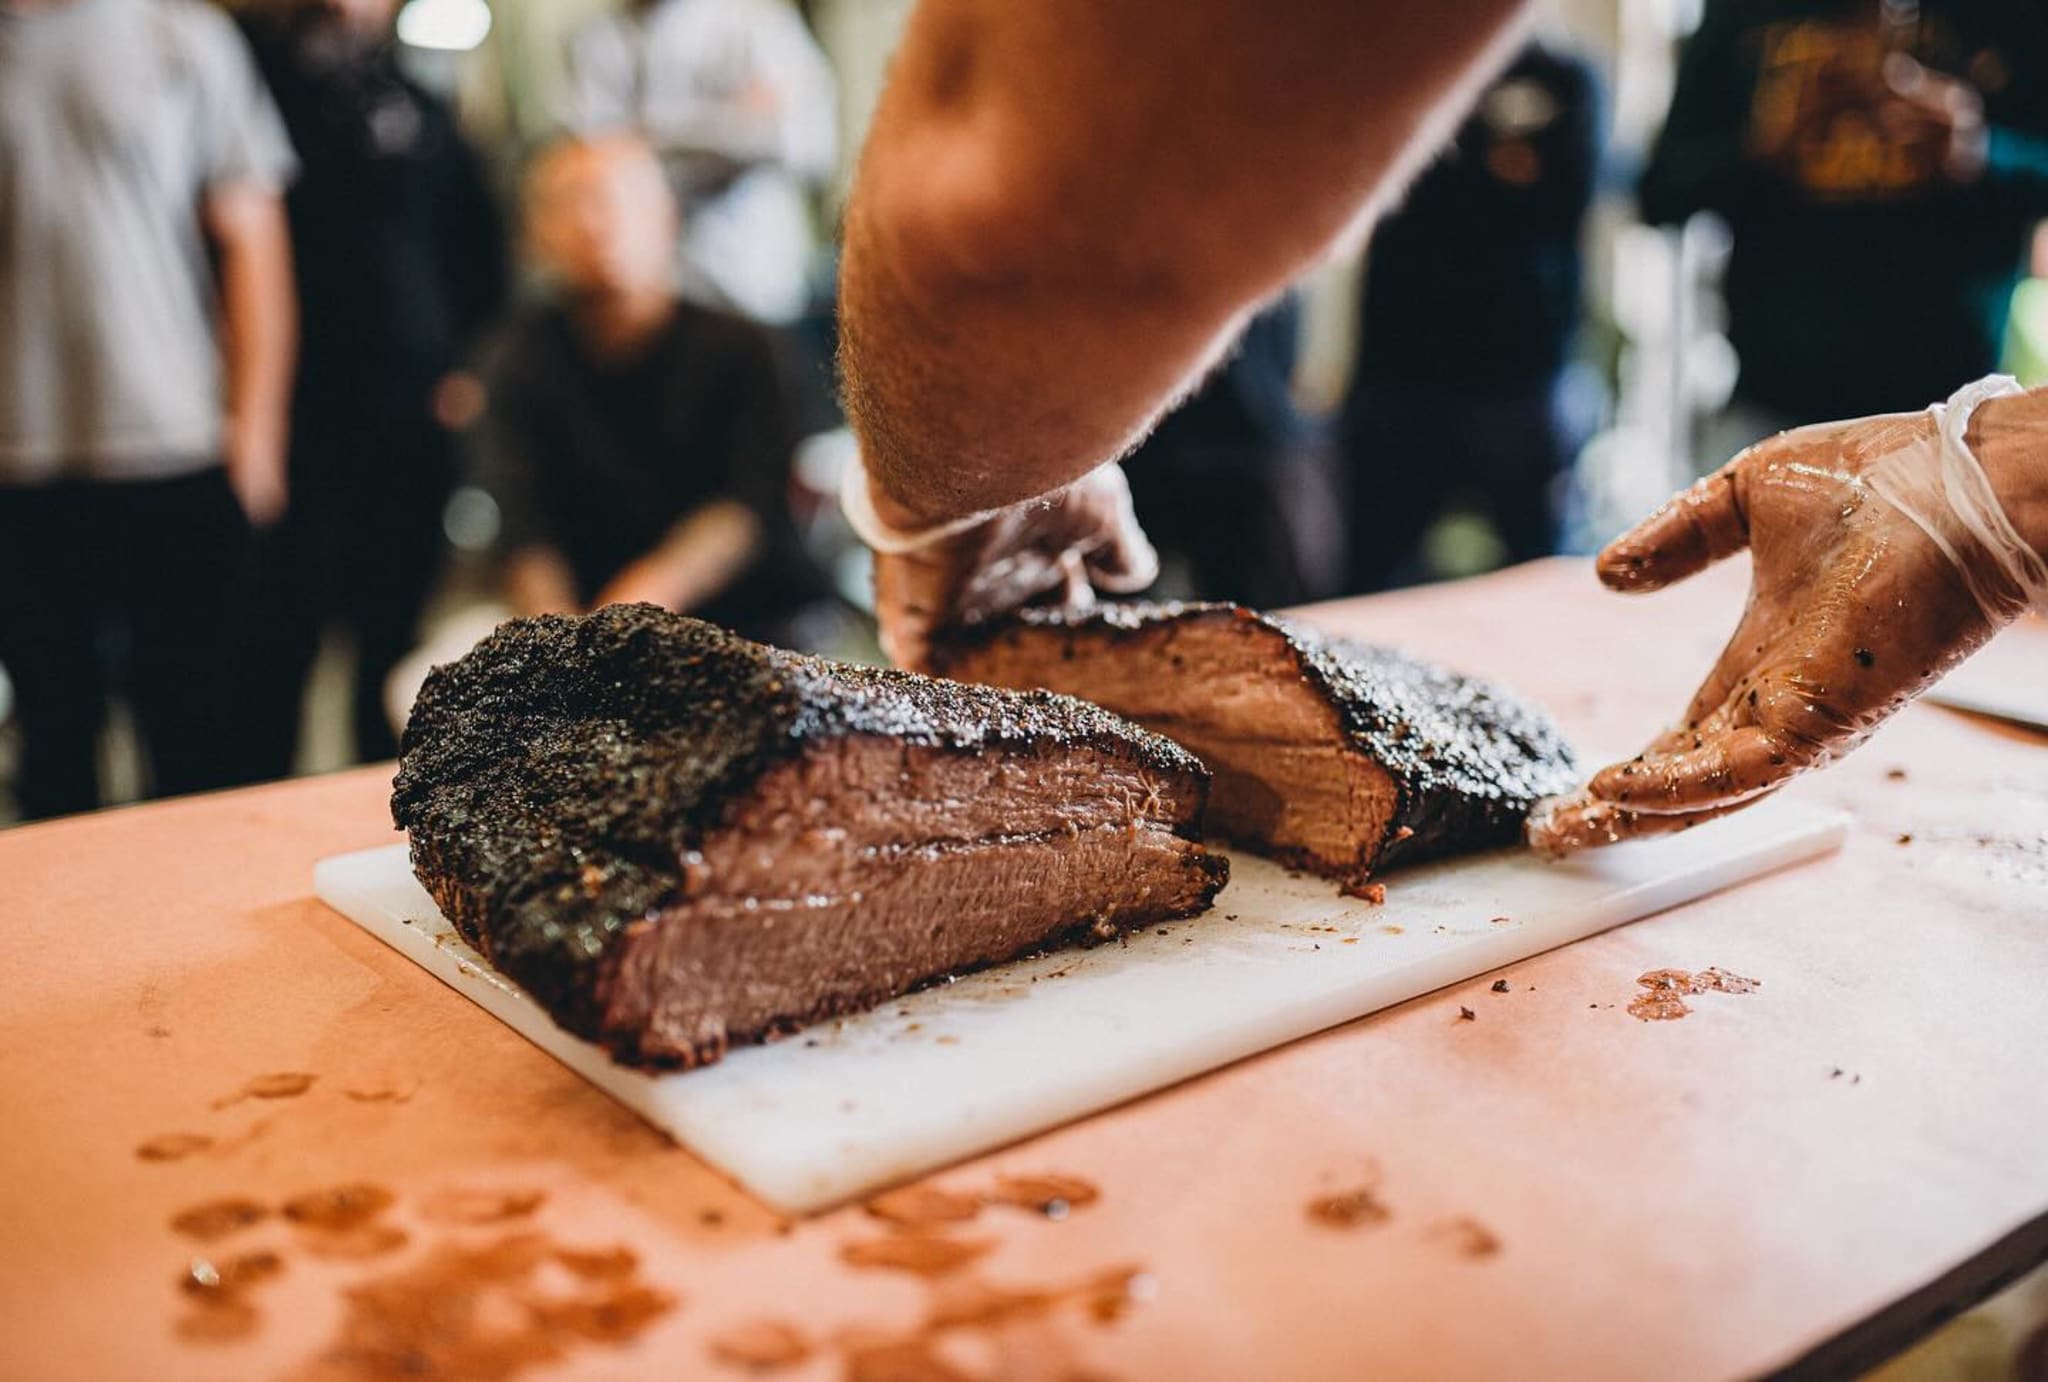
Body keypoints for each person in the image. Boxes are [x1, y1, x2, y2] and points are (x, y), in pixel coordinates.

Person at [831, 1, 2048, 851]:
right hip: (1448, 382)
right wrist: (1988, 476)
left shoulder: (1564, 82)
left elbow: (1002, 203)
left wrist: (941, 490)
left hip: (1537, 384)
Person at [0, 0, 296, 819]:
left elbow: (253, 237)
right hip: (19, 460)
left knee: (192, 736)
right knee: (53, 741)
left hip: (177, 443)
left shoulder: (183, 36)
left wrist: (258, 430)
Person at [235, 0, 510, 773]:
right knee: (278, 635)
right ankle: (258, 799)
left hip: (408, 409)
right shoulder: (256, 81)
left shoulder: (414, 101)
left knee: (390, 630)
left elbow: (479, 243)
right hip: (294, 412)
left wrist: (467, 368)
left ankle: (383, 795)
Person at [471, 134, 835, 647]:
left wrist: (633, 609)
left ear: (667, 217)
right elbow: (523, 526)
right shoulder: (514, 360)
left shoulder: (745, 347)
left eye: (617, 199)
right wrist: (560, 641)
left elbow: (745, 508)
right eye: (571, 201)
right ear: (533, 234)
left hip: (749, 621)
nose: (596, 221)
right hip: (579, 621)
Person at [1641, 0, 2048, 435]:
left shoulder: (2015, 15)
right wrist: (1763, 149)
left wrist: (1983, 151)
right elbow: (1661, 191)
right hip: (1775, 404)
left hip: (1953, 417)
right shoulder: (1741, 12)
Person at [1341, 39, 1602, 591]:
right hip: (1400, 370)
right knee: (1375, 575)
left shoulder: (1564, 80)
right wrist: (1492, 167)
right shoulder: (1402, 64)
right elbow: (1363, 181)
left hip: (1518, 378)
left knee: (1539, 580)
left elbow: (1567, 196)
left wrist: (1451, 172)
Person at [565, 0, 838, 327]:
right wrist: (739, 122)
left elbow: (812, 147)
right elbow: (597, 165)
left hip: (757, 283)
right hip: (652, 296)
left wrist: (647, 136)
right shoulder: (596, 40)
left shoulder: (761, 24)